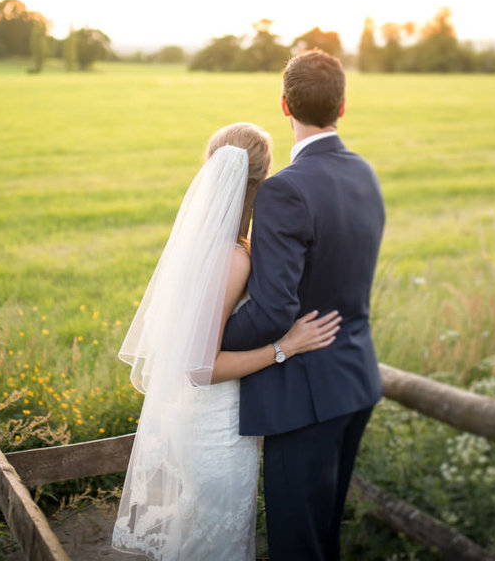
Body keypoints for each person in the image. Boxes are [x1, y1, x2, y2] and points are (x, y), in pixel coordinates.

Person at [112, 121, 343, 561]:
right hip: (216, 428)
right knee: (215, 543)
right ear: (261, 180)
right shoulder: (233, 258)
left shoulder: (201, 246)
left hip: (195, 421)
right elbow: (200, 367)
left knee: (202, 537)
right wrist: (285, 347)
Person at [220, 49, 386, 560]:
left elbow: (273, 311)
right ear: (342, 105)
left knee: (297, 545)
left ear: (284, 105)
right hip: (357, 381)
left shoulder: (284, 191)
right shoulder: (366, 173)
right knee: (325, 537)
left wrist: (207, 335)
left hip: (305, 398)